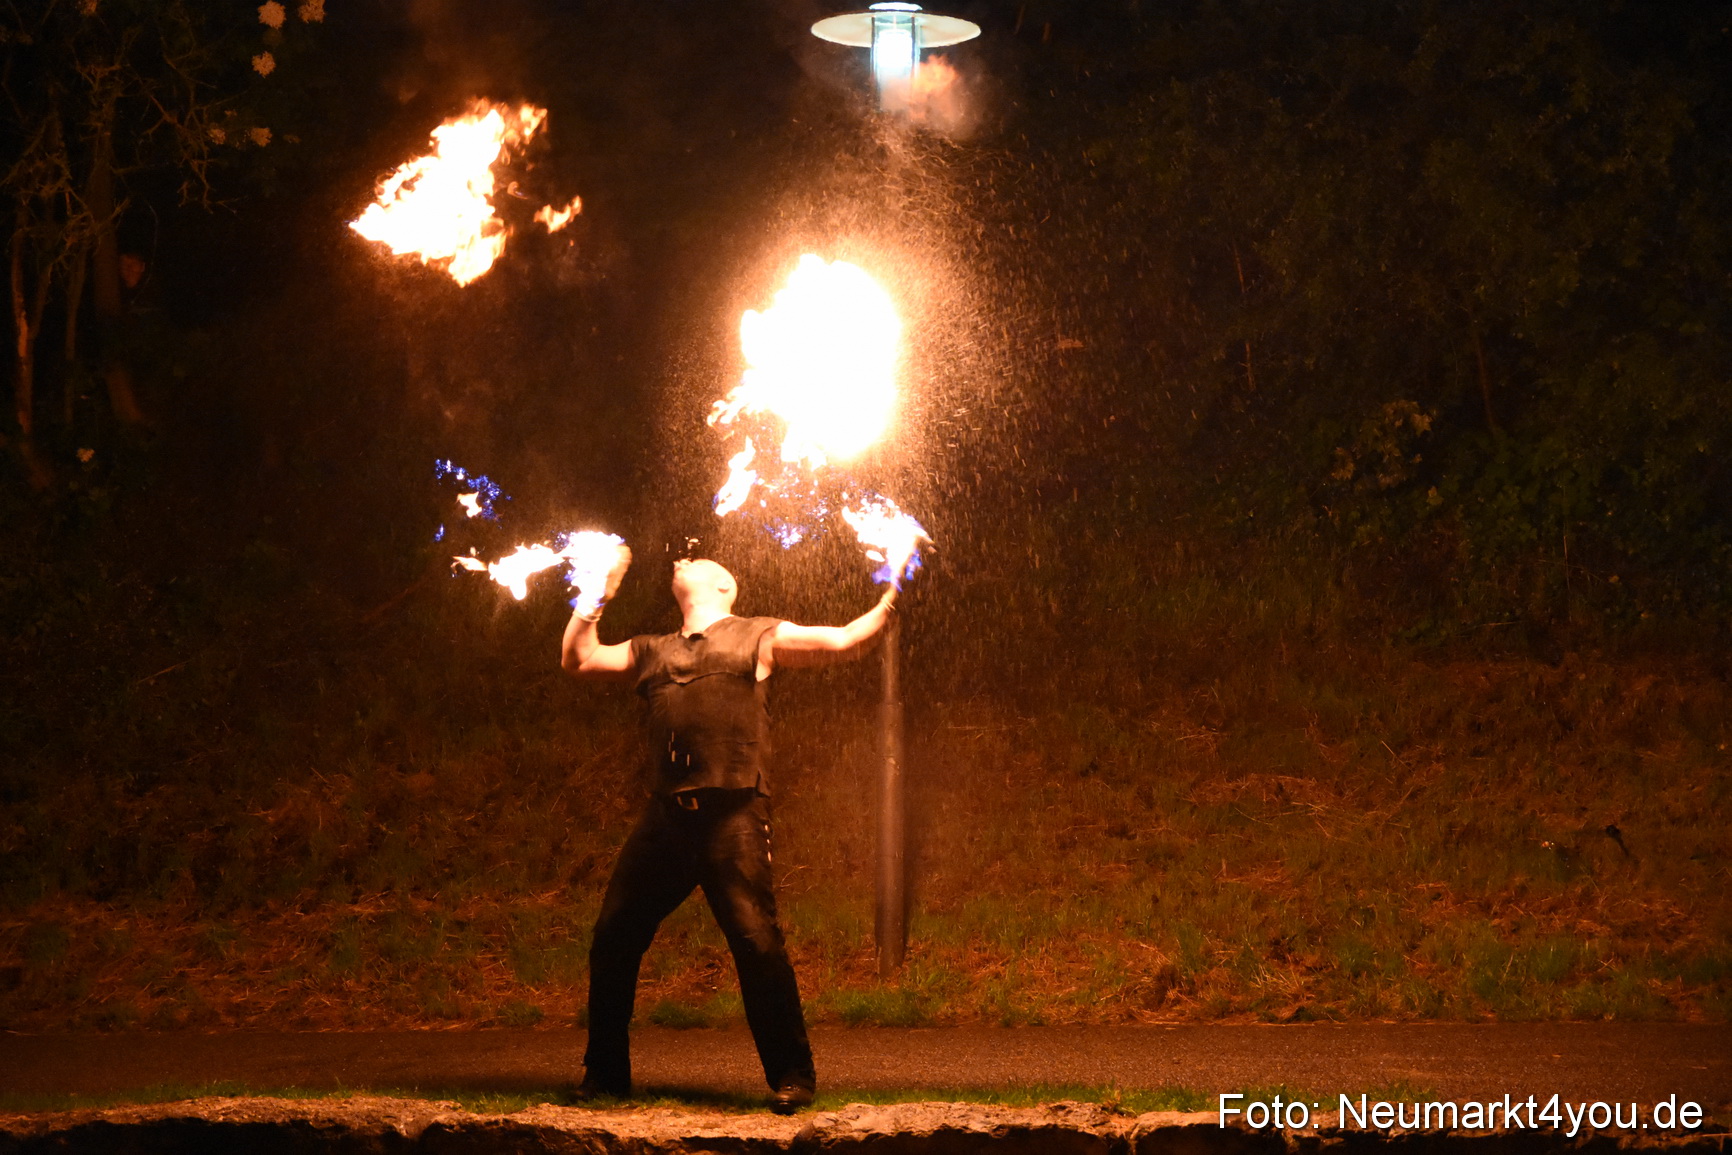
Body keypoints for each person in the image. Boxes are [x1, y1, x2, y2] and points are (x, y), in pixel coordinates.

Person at [560, 551, 897, 1113]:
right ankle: (607, 1075)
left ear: (723, 584)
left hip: (733, 815)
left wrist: (889, 599)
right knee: (614, 936)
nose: (683, 558)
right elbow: (579, 658)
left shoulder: (756, 636)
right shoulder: (651, 649)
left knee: (756, 941)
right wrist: (596, 593)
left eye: (699, 558)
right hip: (667, 817)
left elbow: (843, 641)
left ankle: (793, 1075)